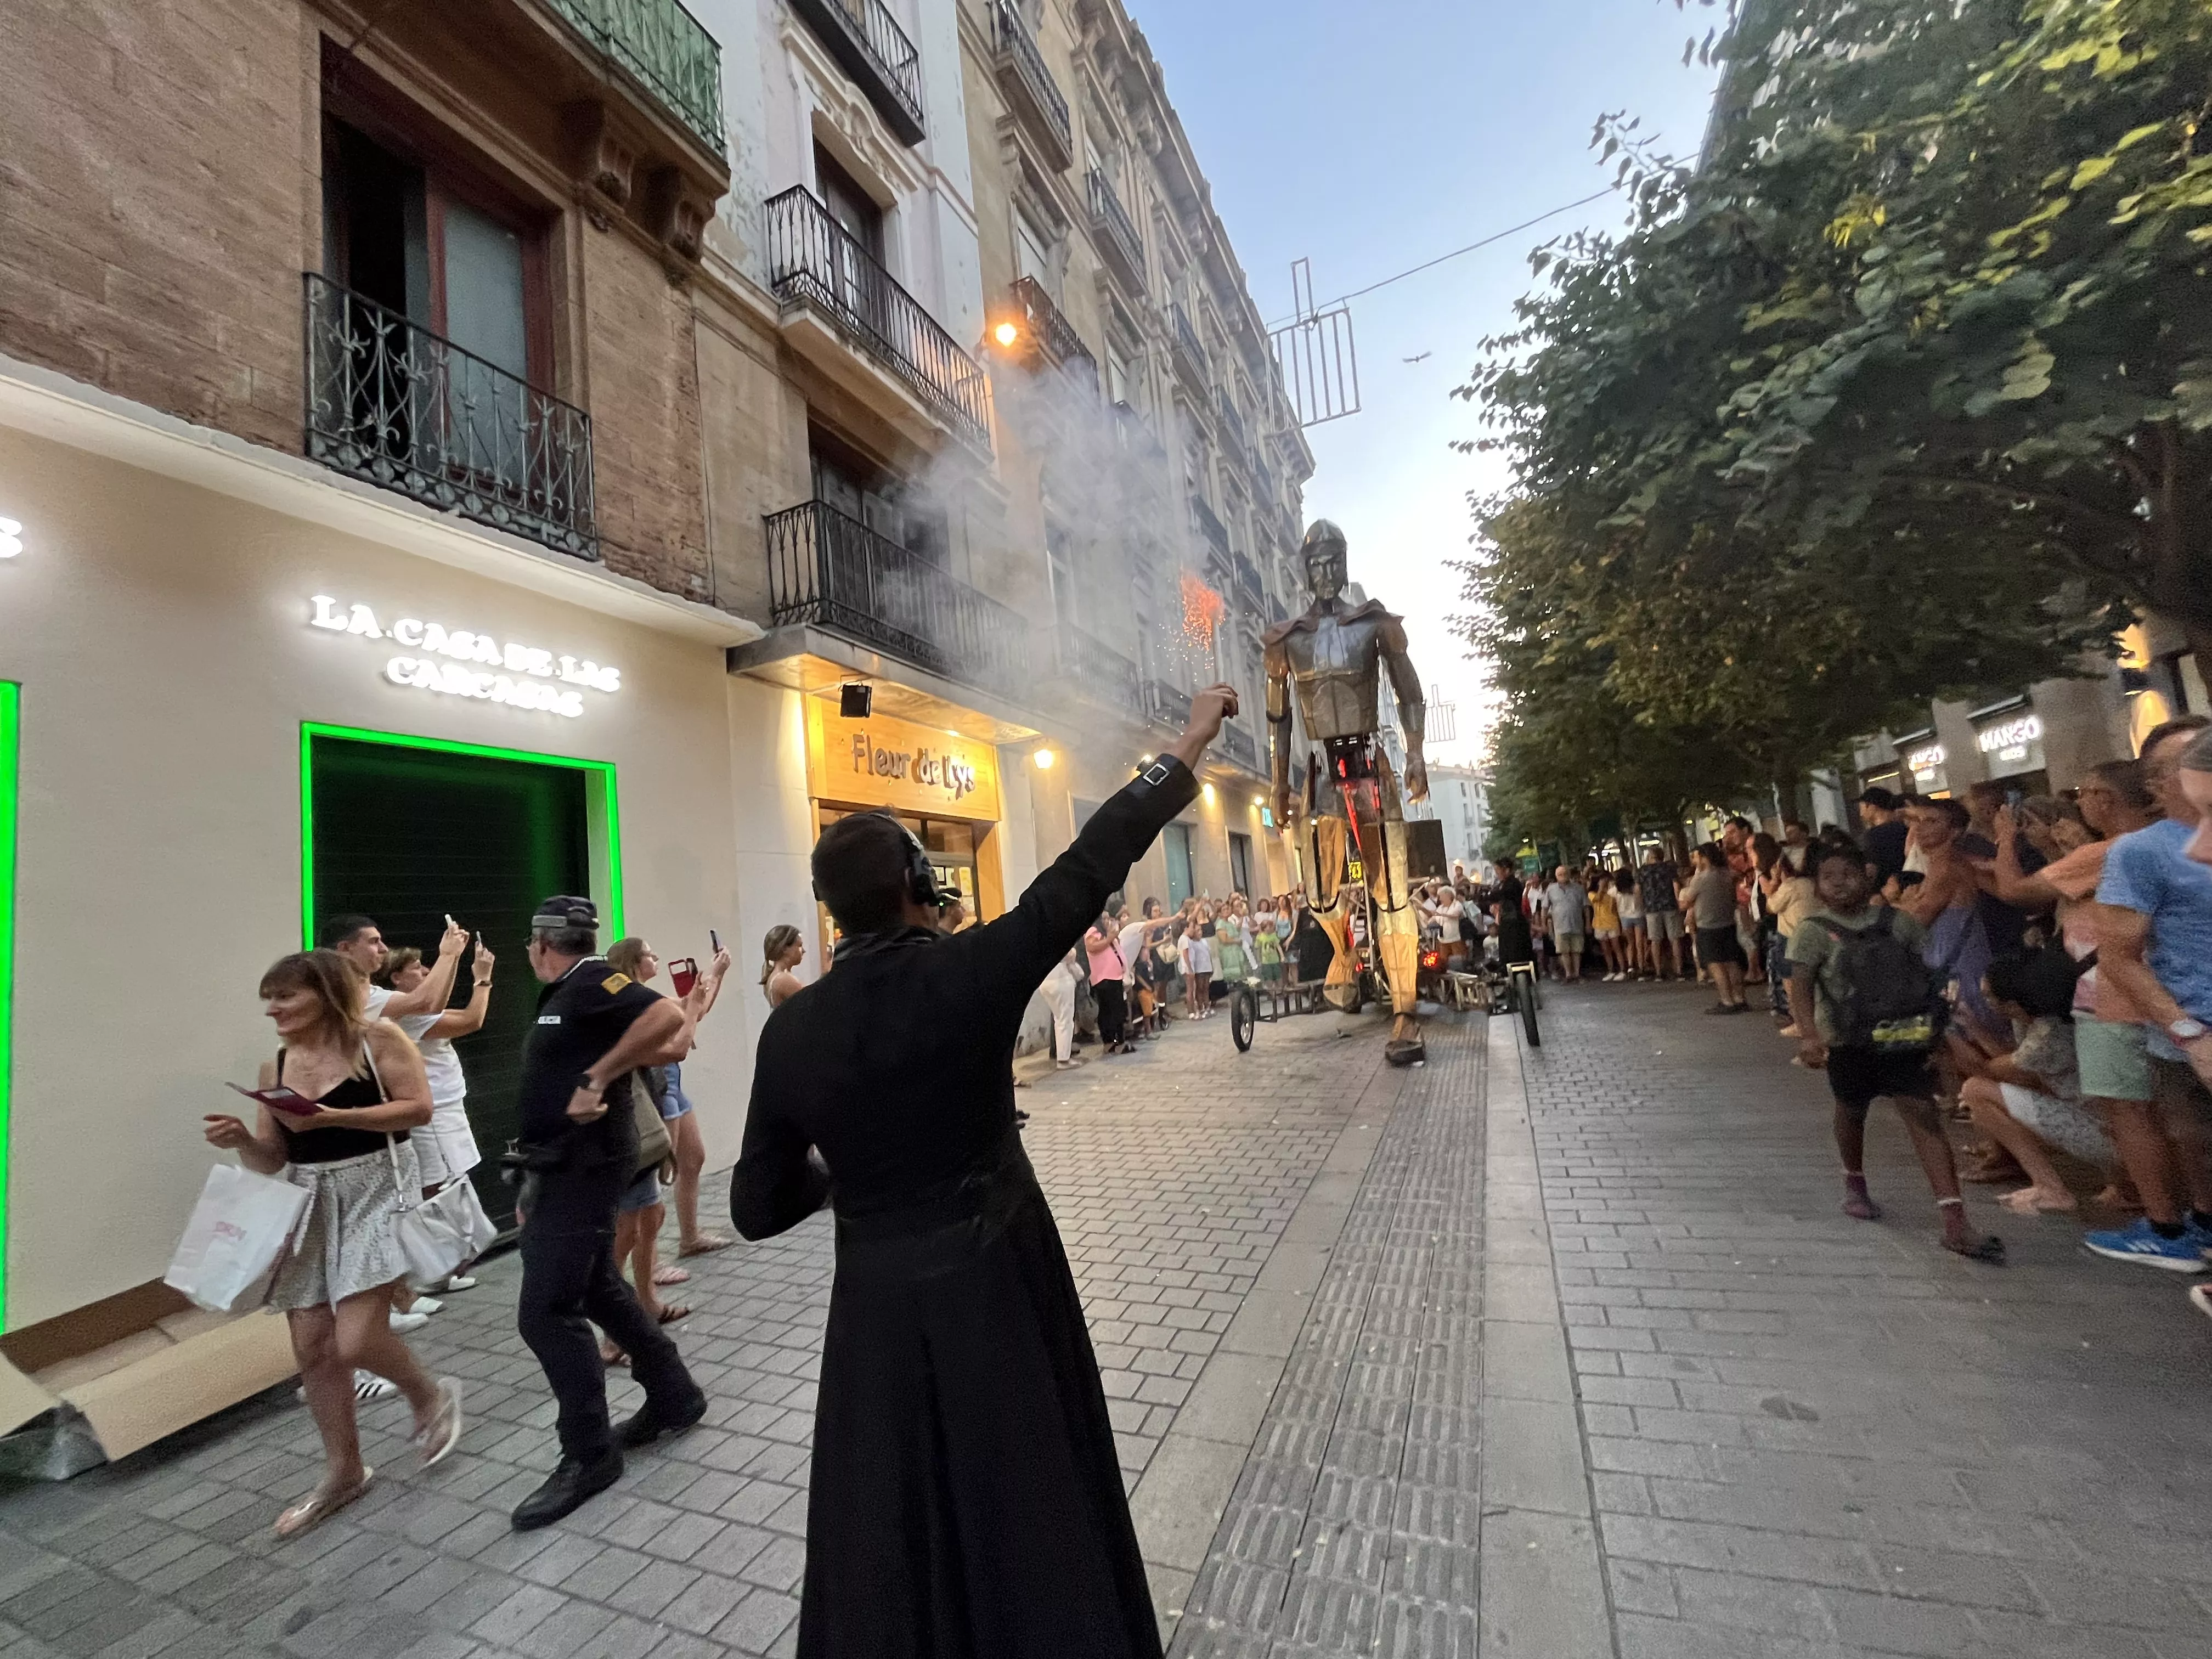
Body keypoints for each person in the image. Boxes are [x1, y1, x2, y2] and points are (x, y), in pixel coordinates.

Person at [731, 685, 1242, 1659]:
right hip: (998, 1278)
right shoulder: (972, 973)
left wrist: (845, 1176)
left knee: (890, 1527)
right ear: (923, 887)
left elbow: (754, 1204)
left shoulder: (791, 1030)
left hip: (875, 1315)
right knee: (1032, 1504)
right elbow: (1089, 864)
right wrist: (1182, 748)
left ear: (829, 911)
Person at [201, 951, 462, 1536]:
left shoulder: (379, 1039)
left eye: (286, 996)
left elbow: (419, 1109)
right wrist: (243, 1138)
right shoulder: (275, 1064)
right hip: (309, 1200)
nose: (274, 1010)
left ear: (324, 993)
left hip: (376, 1188)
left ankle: (427, 1393)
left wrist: (330, 1119)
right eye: (269, 998)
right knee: (314, 1347)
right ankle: (344, 1470)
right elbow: (272, 1159)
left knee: (357, 1336)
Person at [509, 897, 706, 1530]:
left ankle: (590, 1454)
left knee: (546, 1311)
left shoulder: (594, 978)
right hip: (557, 1167)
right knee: (595, 1285)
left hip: (585, 1165)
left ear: (541, 944)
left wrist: (599, 1076)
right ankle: (675, 1395)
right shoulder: (570, 989)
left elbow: (668, 1015)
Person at [1786, 846, 2005, 1261]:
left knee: (1924, 1119)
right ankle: (1855, 1183)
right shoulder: (1812, 930)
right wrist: (1809, 1036)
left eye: (1848, 873)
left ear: (1867, 876)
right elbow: (1801, 985)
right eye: (1829, 876)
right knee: (1851, 1111)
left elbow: (1926, 973)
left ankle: (1955, 1221)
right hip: (1849, 1044)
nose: (1839, 882)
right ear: (1817, 884)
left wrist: (1940, 1033)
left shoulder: (1899, 922)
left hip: (1906, 1037)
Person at [2081, 716, 2212, 1269]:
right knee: (2200, 1147)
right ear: (2161, 782)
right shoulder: (2140, 853)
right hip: (2196, 1033)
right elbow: (2119, 957)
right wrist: (2189, 1034)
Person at [599, 935, 734, 1336]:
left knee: (687, 1164)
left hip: (665, 1085)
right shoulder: (633, 1003)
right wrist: (699, 997)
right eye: (650, 954)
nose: (658, 958)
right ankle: (640, 1286)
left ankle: (658, 1277)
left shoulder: (644, 999)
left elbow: (692, 1012)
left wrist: (715, 974)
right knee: (645, 1206)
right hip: (653, 1095)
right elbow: (679, 1040)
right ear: (634, 962)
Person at [373, 943, 494, 1291]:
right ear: (396, 978)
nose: (426, 972)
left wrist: (454, 959)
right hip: (433, 1112)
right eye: (417, 968)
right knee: (435, 1188)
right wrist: (482, 980)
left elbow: (437, 1002)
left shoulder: (419, 1011)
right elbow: (472, 1020)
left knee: (452, 1183)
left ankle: (445, 1267)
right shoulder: (402, 1015)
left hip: (449, 1106)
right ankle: (427, 1272)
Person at [1954, 949, 2107, 1215]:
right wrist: (1972, 1027)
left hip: (2102, 1131)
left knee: (1976, 1091)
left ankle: (2051, 1188)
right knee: (1986, 1096)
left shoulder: (2049, 1036)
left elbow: (1989, 1071)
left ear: (2013, 1004)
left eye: (1989, 996)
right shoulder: (2040, 1017)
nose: (1985, 1000)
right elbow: (2013, 1063)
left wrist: (1946, 1035)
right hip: (2092, 1116)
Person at [1683, 844, 1748, 1013]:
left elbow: (1686, 902)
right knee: (1732, 961)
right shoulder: (1728, 875)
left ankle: (1727, 1001)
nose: (1695, 861)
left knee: (1715, 964)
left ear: (1705, 857)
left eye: (1697, 857)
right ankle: (1740, 998)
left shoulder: (1701, 879)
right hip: (1727, 922)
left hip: (1708, 926)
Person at [1083, 914, 1132, 1053]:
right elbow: (1091, 947)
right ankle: (1116, 1042)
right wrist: (1110, 938)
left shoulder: (1107, 933)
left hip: (1115, 977)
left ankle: (1113, 1041)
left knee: (1115, 1010)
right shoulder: (1093, 932)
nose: (1107, 921)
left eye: (1108, 918)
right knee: (1112, 1011)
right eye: (1104, 919)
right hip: (1105, 978)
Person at [1638, 847, 1688, 979]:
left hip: (1651, 908)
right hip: (1670, 906)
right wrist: (1678, 901)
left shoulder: (1643, 871)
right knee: (1675, 938)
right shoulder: (1669, 868)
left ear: (1651, 857)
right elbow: (1676, 885)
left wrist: (1642, 905)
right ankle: (1679, 971)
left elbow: (1638, 889)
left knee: (1655, 940)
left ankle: (1659, 972)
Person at [1858, 787, 1910, 888]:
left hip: (1888, 888)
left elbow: (1872, 869)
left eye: (1862, 808)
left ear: (1871, 806)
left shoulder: (1872, 836)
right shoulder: (1908, 827)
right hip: (1914, 882)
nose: (1861, 814)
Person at [1179, 902, 1214, 1018]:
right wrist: (1190, 968)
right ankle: (1192, 1011)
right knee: (1192, 990)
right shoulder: (1185, 939)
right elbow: (1185, 954)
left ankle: (1202, 1008)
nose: (1194, 930)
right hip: (1190, 968)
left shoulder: (1191, 940)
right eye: (1193, 928)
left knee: (1200, 989)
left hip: (1195, 967)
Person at [763, 924, 806, 1010]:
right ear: (785, 949)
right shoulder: (784, 980)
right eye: (800, 946)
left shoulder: (775, 976)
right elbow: (812, 1006)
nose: (804, 951)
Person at [1613, 866, 1646, 979]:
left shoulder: (1616, 889)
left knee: (1630, 943)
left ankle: (1631, 965)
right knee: (1639, 943)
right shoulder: (1636, 887)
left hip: (1624, 917)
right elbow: (1641, 901)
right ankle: (1641, 967)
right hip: (1638, 914)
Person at [1588, 873, 1623, 980]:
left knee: (1616, 947)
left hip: (1612, 922)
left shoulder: (1611, 894)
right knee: (1606, 949)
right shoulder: (1591, 894)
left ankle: (1622, 970)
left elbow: (1614, 908)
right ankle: (1611, 969)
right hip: (1600, 924)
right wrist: (1601, 889)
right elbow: (1597, 899)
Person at [1214, 896, 1251, 986]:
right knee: (1233, 976)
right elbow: (1224, 939)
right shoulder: (1221, 924)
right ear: (1219, 914)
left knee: (1241, 975)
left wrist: (1242, 917)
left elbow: (1237, 930)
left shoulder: (1229, 923)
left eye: (1227, 909)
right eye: (1224, 910)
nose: (1227, 911)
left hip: (1236, 951)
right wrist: (1236, 941)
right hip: (1228, 953)